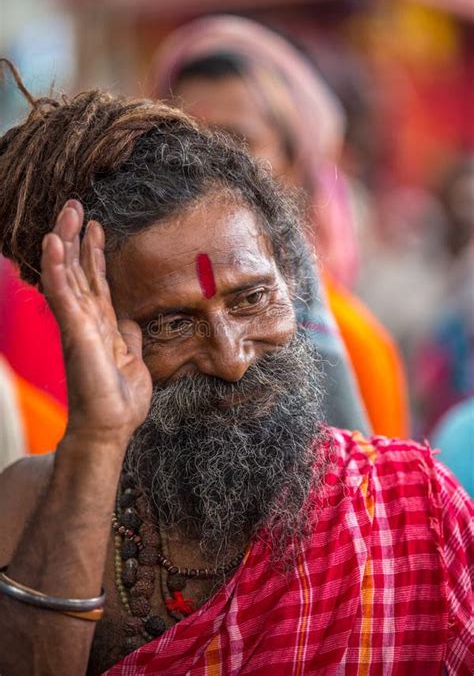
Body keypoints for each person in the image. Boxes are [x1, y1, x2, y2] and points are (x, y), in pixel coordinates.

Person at [0, 75, 472, 676]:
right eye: (172, 324)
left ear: (293, 284)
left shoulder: (417, 511)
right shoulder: (27, 508)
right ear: (100, 327)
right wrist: (96, 439)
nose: (231, 358)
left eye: (252, 300)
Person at [149, 15, 410, 439]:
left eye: (236, 142)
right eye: (180, 140)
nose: (198, 166)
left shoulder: (355, 346)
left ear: (296, 163)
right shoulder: (120, 327)